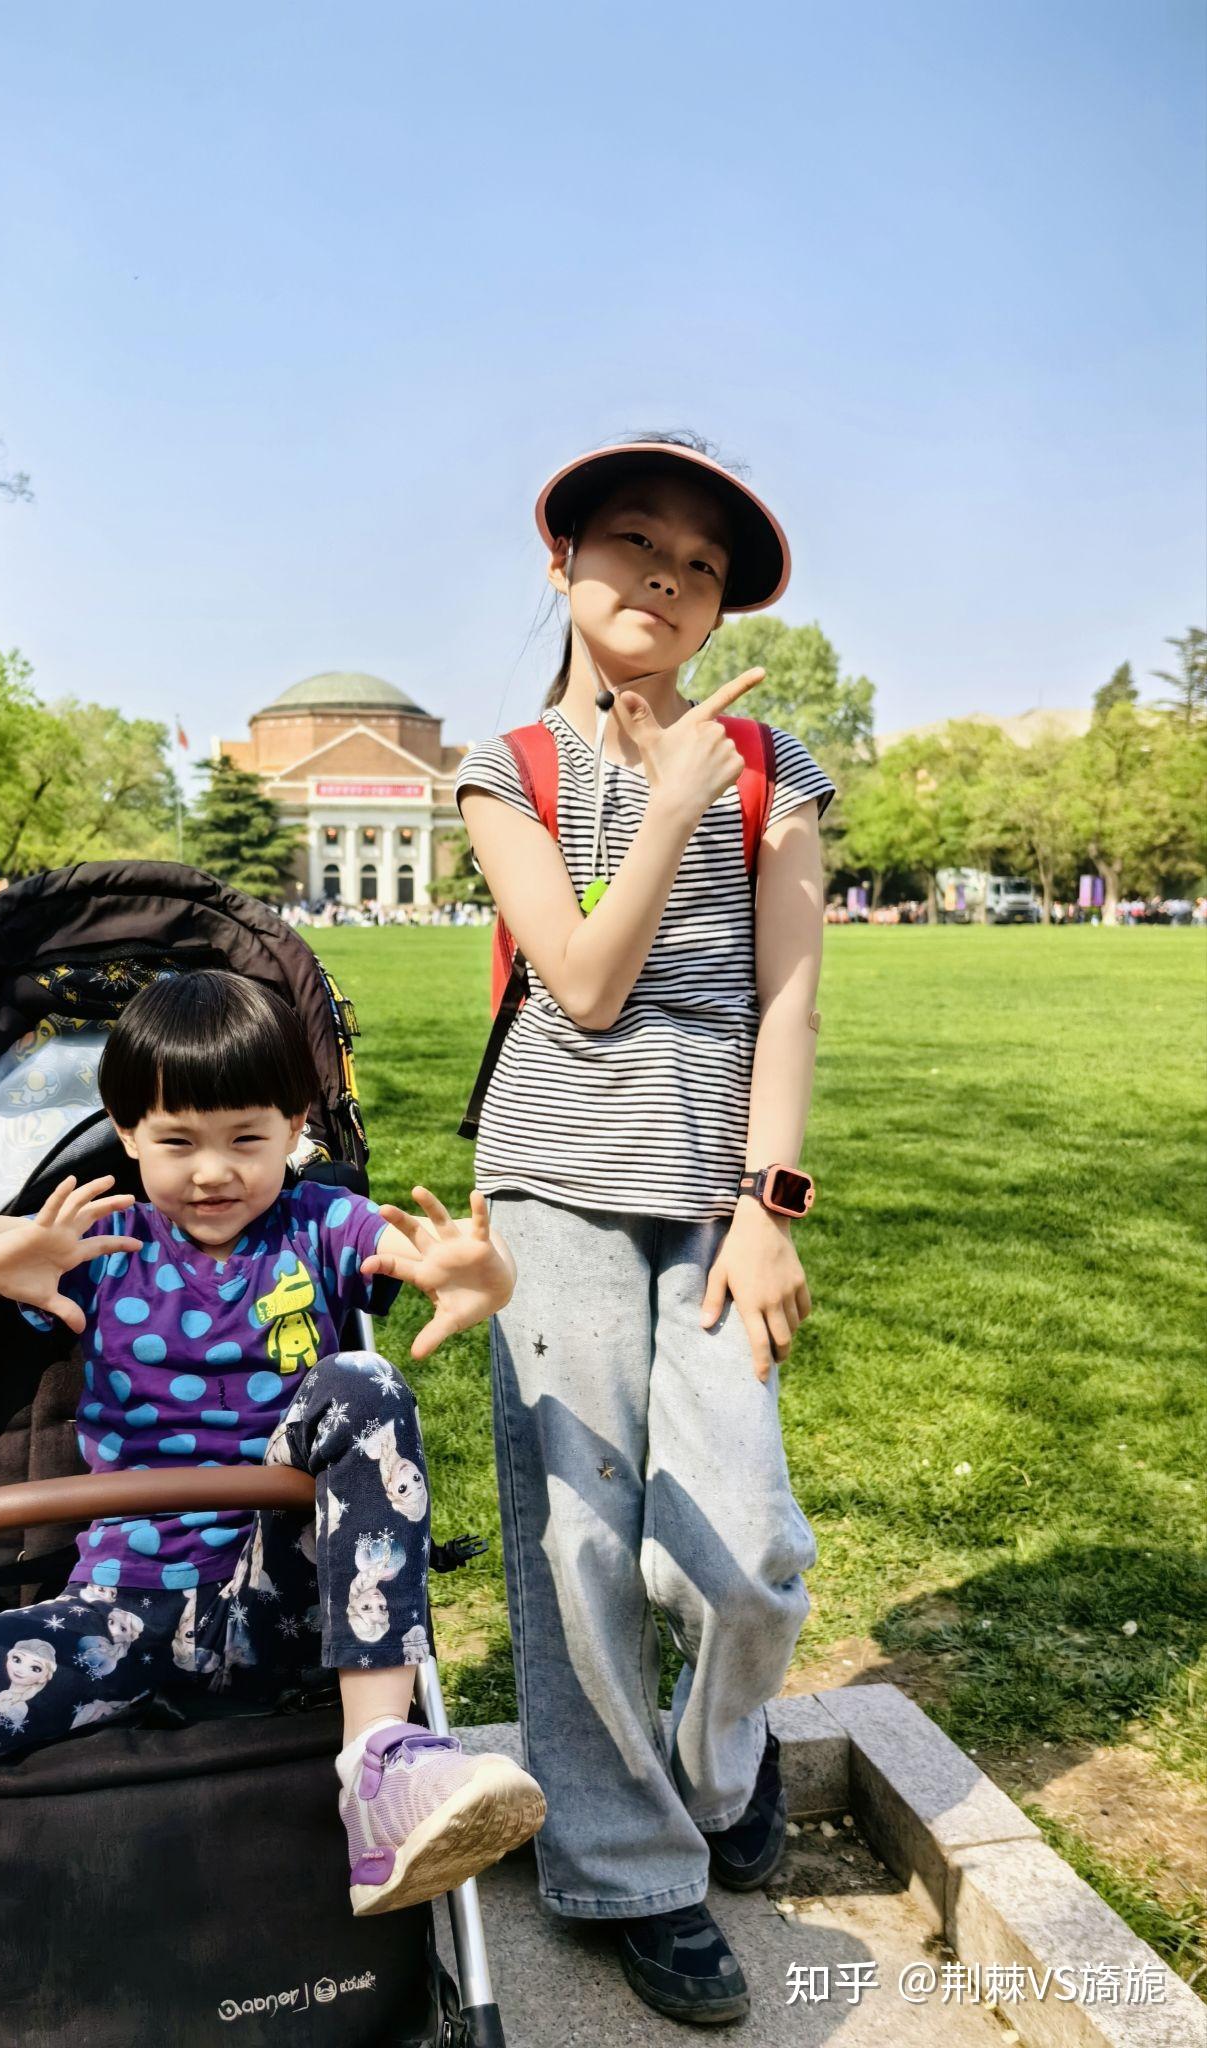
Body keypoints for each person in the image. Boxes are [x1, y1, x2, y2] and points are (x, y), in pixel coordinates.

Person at [0, 969, 544, 2048]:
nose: (212, 1171)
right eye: (177, 1139)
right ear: (125, 1131)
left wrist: (487, 1274)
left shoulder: (321, 1224)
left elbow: (414, 1260)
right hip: (119, 1610)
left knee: (365, 1385)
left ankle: (379, 1764)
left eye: (247, 1137)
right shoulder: (102, 1246)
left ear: (297, 1126)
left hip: (283, 1601)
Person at [456, 433, 833, 2026]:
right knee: (578, 1544)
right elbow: (583, 985)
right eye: (631, 540)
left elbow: (790, 1000)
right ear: (561, 562)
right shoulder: (503, 772)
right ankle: (627, 1868)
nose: (667, 573)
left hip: (709, 1207)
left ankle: (713, 1759)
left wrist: (767, 1205)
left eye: (701, 559)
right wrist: (668, 802)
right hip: (547, 1187)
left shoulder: (778, 769)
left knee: (748, 1549)